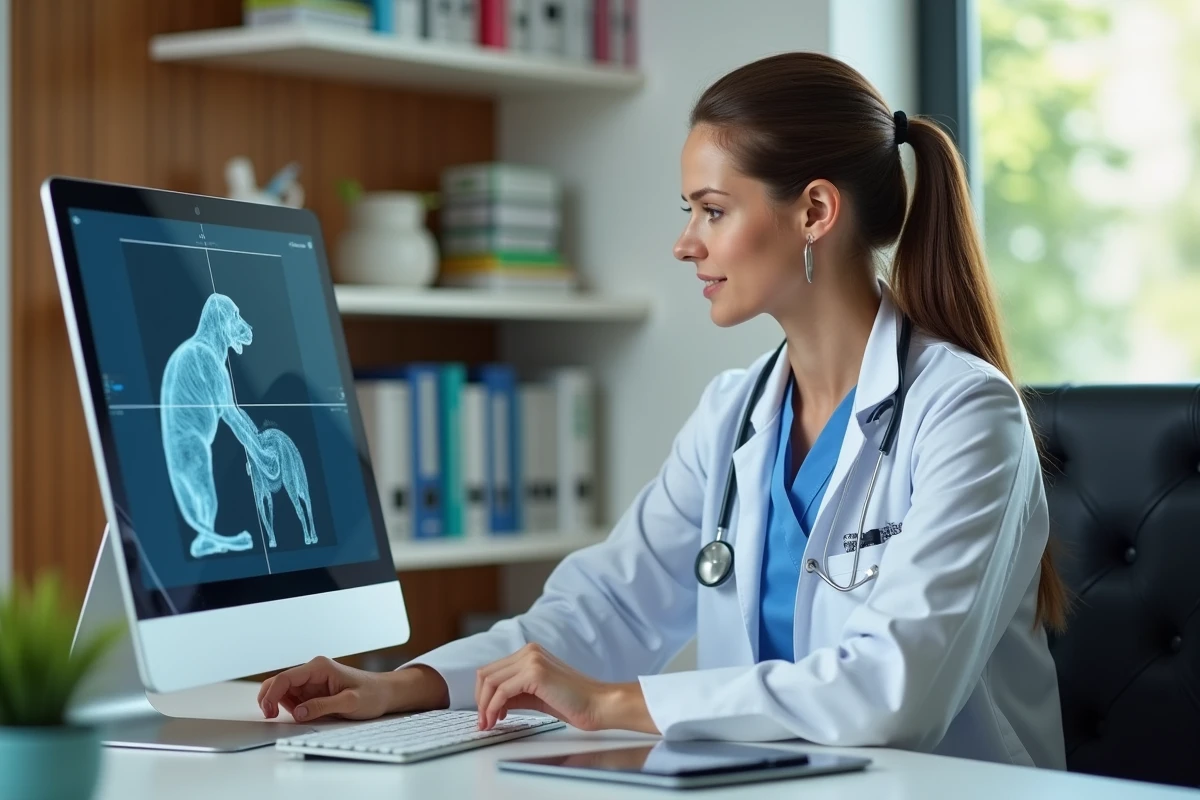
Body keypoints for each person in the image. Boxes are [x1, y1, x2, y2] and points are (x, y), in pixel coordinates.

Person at [258, 52, 1069, 769]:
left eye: (712, 211)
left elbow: (895, 692)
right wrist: (403, 686)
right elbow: (606, 608)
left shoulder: (966, 417)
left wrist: (611, 704)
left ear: (815, 212)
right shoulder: (735, 413)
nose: (686, 243)